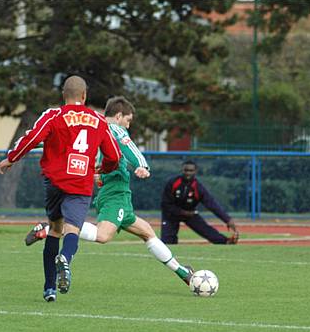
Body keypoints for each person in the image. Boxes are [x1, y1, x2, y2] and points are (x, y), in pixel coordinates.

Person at [25, 96, 194, 285]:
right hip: (116, 193)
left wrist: (30, 144)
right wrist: (142, 165)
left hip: (114, 194)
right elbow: (127, 145)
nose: (128, 126)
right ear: (119, 116)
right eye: (128, 120)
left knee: (147, 232)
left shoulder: (91, 127)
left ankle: (183, 273)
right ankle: (50, 228)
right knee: (103, 235)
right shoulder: (113, 128)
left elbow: (55, 138)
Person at [0, 75, 121, 303]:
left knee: (55, 229)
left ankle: (49, 288)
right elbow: (114, 156)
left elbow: (32, 138)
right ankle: (65, 257)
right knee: (72, 229)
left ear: (64, 95)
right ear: (84, 96)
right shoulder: (99, 120)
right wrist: (101, 169)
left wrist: (11, 159)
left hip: (55, 181)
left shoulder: (54, 115)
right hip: (80, 181)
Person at [160, 160, 238, 245]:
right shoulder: (173, 183)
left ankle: (226, 242)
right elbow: (165, 204)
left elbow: (211, 204)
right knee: (168, 242)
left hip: (190, 213)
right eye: (186, 170)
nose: (188, 173)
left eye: (191, 171)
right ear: (182, 170)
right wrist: (182, 212)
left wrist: (227, 220)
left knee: (206, 230)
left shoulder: (198, 187)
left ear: (195, 171)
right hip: (171, 214)